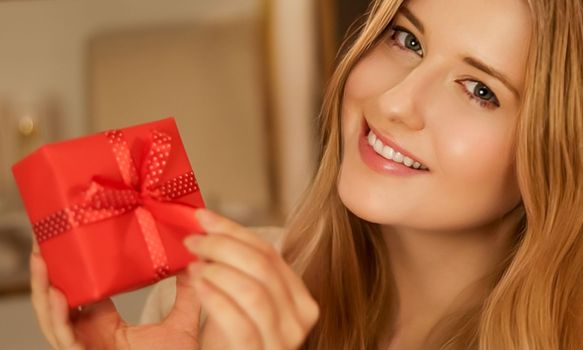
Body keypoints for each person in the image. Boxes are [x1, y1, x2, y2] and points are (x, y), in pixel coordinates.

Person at [29, 0, 583, 349]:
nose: (394, 102)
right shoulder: (206, 305)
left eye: (480, 90)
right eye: (407, 40)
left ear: (561, 155)